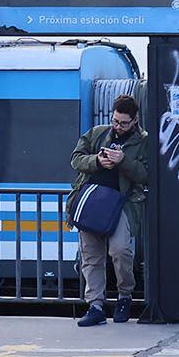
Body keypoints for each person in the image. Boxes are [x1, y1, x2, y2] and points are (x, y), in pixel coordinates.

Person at [68, 95, 150, 326]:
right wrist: (97, 161)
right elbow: (76, 159)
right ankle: (95, 305)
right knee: (91, 255)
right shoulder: (98, 133)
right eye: (115, 121)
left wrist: (123, 161)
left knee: (120, 250)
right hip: (92, 200)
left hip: (122, 203)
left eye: (124, 123)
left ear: (135, 120)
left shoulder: (144, 142)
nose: (118, 126)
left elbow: (147, 174)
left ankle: (125, 296)